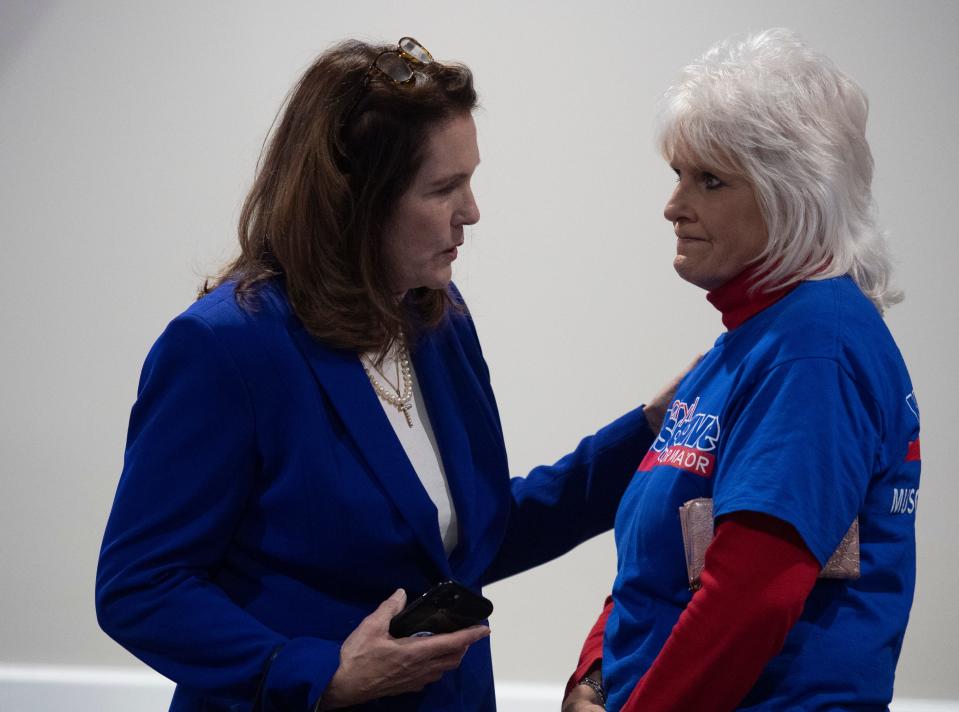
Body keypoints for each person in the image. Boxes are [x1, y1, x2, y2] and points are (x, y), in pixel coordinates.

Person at [95, 37, 683, 712]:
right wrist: (318, 674)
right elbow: (141, 585)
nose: (472, 211)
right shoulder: (224, 349)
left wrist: (648, 432)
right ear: (355, 202)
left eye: (469, 179)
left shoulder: (437, 318)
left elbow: (470, 537)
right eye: (443, 188)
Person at [562, 28, 920, 711]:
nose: (673, 206)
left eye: (709, 181)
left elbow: (749, 597)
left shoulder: (815, 345)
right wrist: (594, 677)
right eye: (677, 174)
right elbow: (655, 559)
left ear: (791, 194)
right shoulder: (744, 347)